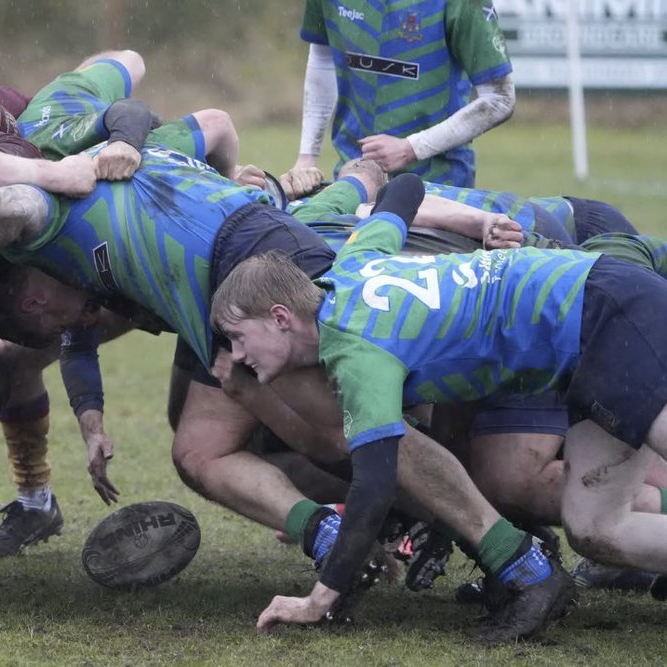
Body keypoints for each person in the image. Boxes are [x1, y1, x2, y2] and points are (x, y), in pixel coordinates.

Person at [0, 140, 567, 641]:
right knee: (199, 450)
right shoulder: (134, 156)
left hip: (257, 270)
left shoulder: (52, 202)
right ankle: (335, 539)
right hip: (225, 283)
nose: (74, 322)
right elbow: (208, 127)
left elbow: (0, 199)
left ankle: (514, 558)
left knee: (353, 434)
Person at [209, 173, 667, 638]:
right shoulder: (354, 259)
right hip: (590, 332)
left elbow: (374, 486)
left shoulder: (356, 352)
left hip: (605, 310)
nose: (237, 354)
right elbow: (404, 188)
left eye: (238, 337)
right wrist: (464, 222)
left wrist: (319, 599)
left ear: (280, 318)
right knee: (596, 528)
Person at [292, 0, 515, 187]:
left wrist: (411, 148)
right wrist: (307, 158)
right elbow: (322, 57)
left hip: (438, 182)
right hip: (355, 178)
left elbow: (500, 98)